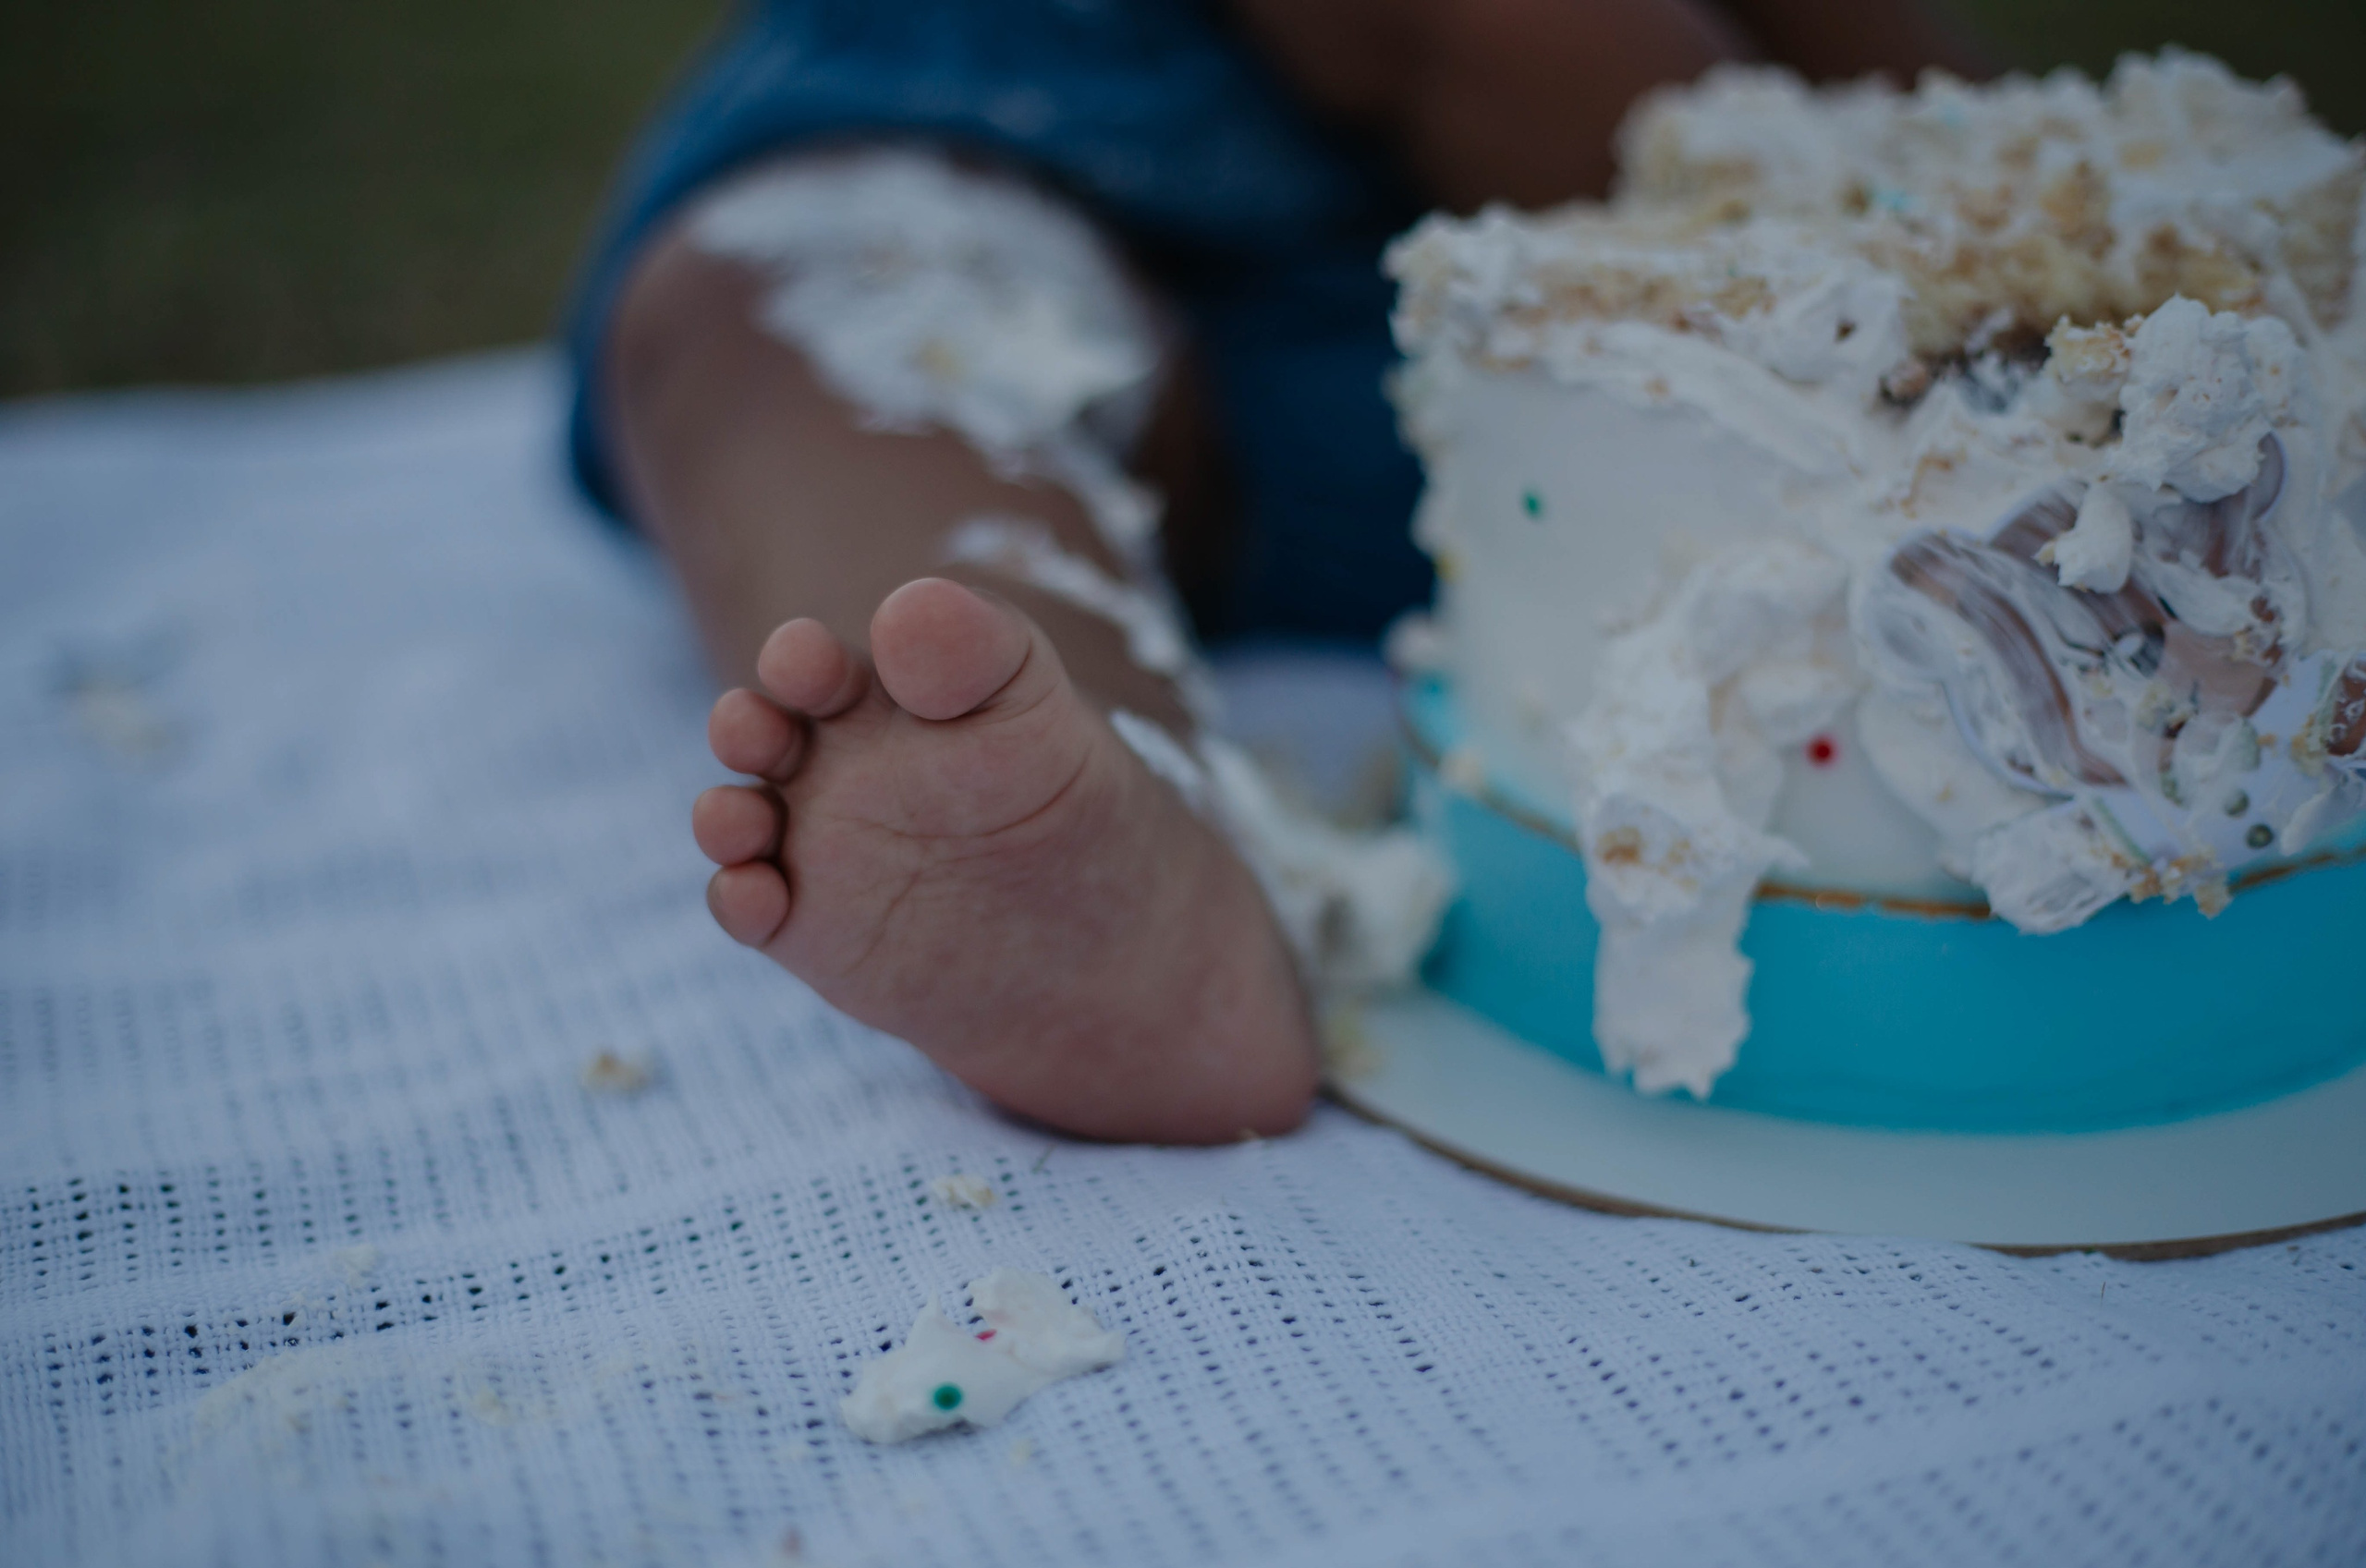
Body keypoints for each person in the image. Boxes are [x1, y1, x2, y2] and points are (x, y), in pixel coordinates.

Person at [568, 0, 1980, 1144]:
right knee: (814, 313)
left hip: (1490, 358)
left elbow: (1914, 104)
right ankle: (1098, 837)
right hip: (990, 130)